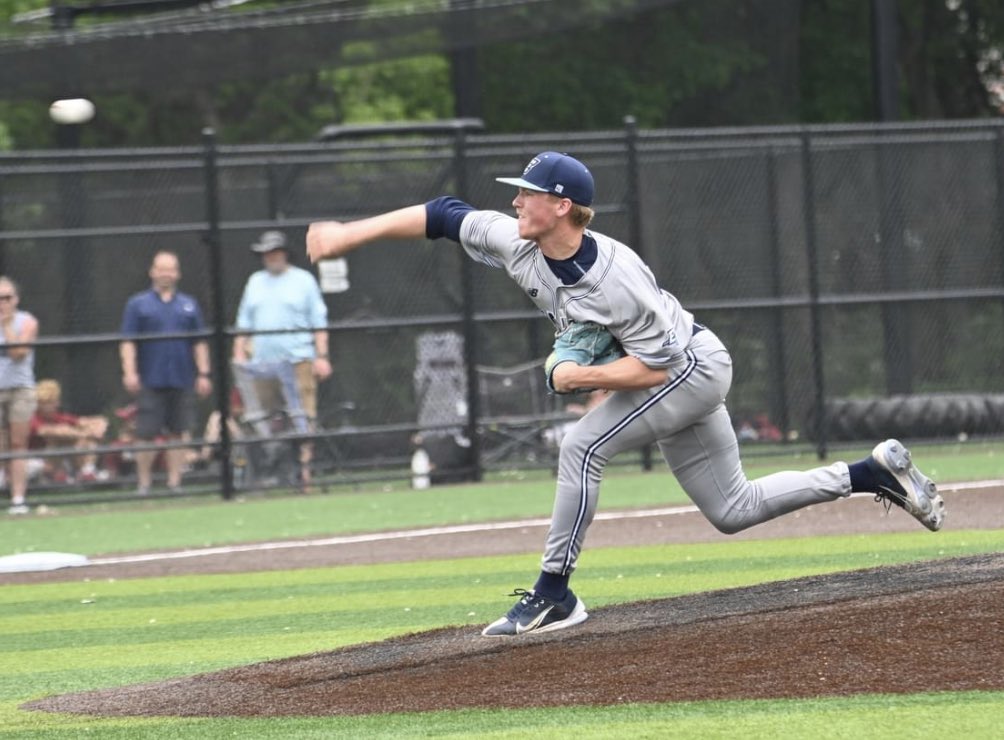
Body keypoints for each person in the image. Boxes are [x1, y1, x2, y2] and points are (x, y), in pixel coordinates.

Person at [304, 150, 946, 637]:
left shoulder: (618, 280)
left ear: (561, 207)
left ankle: (553, 591)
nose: (516, 202)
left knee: (582, 447)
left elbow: (655, 371)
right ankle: (869, 472)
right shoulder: (516, 242)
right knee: (733, 509)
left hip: (689, 369)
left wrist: (578, 377)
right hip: (672, 369)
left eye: (527, 193)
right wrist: (346, 234)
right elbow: (444, 214)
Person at [233, 230, 332, 488]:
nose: (270, 257)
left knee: (303, 418)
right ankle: (271, 474)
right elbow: (244, 321)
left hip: (298, 361)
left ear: (284, 253)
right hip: (262, 366)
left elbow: (318, 321)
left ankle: (304, 475)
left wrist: (322, 356)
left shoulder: (304, 280)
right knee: (264, 421)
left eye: (274, 251)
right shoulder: (254, 281)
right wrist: (239, 354)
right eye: (266, 252)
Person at [120, 250, 212, 495]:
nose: (166, 273)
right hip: (150, 378)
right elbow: (128, 342)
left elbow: (199, 342)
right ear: (152, 271)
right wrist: (130, 372)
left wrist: (203, 373)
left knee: (178, 432)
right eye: (161, 268)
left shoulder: (189, 305)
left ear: (178, 273)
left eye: (171, 269)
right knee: (146, 433)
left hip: (181, 378)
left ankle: (175, 483)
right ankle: (144, 484)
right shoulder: (137, 304)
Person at [0, 277, 38, 515]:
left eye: (7, 297)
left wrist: (5, 326)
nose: (3, 302)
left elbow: (18, 353)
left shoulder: (27, 321)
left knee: (18, 444)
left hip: (20, 390)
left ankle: (18, 499)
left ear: (16, 299)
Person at [29, 379, 109, 483]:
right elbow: (51, 431)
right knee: (59, 439)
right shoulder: (32, 419)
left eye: (56, 401)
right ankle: (61, 476)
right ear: (39, 403)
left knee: (87, 441)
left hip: (56, 463)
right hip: (33, 461)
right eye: (51, 402)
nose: (57, 405)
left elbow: (95, 421)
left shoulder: (57, 416)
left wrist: (98, 427)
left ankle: (87, 472)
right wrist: (85, 433)